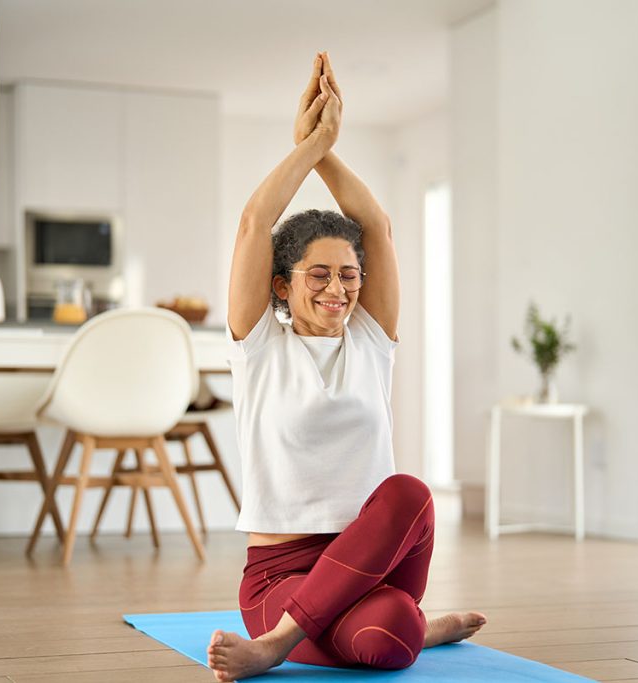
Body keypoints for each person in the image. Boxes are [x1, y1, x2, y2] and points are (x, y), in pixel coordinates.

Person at [207, 52, 486, 682]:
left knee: (407, 501)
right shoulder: (258, 346)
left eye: (349, 275)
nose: (338, 289)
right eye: (319, 274)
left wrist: (327, 147)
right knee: (391, 634)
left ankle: (313, 640)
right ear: (281, 284)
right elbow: (255, 223)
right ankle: (297, 636)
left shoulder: (369, 339)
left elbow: (378, 228)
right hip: (281, 575)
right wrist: (307, 148)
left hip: (371, 565)